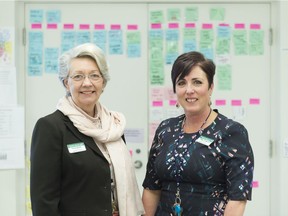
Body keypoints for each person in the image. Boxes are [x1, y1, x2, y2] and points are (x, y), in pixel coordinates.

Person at [30, 43, 144, 216]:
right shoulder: (51, 127)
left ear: (103, 82)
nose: (87, 83)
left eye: (94, 76)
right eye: (78, 77)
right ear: (66, 83)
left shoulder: (114, 125)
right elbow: (43, 201)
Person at [142, 51, 254, 216]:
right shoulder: (166, 129)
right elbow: (152, 188)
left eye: (197, 82)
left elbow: (237, 199)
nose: (189, 90)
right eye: (181, 83)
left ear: (210, 87)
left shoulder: (232, 133)